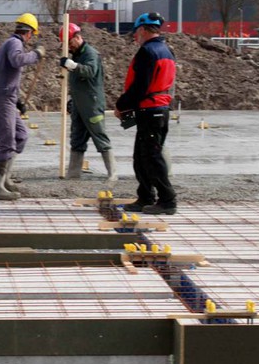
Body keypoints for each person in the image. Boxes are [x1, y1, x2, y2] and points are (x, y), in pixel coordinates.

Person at [114, 12, 177, 215]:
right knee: (142, 157)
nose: (135, 36)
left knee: (151, 157)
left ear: (142, 30)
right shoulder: (166, 50)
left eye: (136, 32)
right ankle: (145, 197)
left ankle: (167, 200)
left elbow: (140, 87)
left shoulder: (147, 52)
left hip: (151, 109)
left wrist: (121, 105)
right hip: (158, 109)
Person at [0, 13, 45, 200]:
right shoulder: (14, 43)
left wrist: (18, 101)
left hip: (7, 98)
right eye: (32, 35)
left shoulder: (11, 43)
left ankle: (5, 178)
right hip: (2, 98)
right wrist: (36, 54)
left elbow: (5, 75)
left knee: (21, 136)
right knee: (7, 142)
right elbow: (17, 60)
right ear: (29, 33)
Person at [58, 23, 118, 182]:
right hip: (79, 105)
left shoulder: (90, 54)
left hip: (92, 104)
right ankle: (73, 174)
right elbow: (77, 81)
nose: (69, 47)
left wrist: (70, 65)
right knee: (77, 138)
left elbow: (89, 71)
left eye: (70, 43)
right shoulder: (76, 56)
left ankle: (112, 173)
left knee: (100, 136)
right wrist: (72, 100)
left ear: (78, 37)